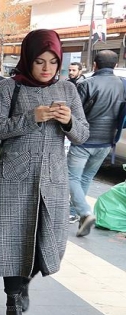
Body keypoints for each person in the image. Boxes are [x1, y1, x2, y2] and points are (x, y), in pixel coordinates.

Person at [0, 29, 89, 315]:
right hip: (13, 178)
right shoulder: (7, 88)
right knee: (13, 243)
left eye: (53, 61)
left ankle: (25, 281)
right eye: (40, 61)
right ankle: (12, 301)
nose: (46, 68)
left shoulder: (69, 90)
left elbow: (83, 134)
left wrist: (68, 120)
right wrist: (33, 116)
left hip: (53, 179)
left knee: (48, 242)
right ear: (28, 59)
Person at [69, 50, 123, 235]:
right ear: (115, 65)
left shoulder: (87, 84)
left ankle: (83, 212)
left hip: (84, 140)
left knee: (71, 177)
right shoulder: (123, 84)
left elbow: (75, 112)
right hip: (107, 141)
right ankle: (75, 213)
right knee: (85, 178)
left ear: (94, 65)